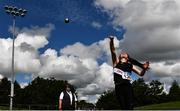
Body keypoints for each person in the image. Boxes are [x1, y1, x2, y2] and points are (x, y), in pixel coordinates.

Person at [109, 36, 149, 110]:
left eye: (125, 53)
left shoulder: (130, 65)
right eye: (122, 53)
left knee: (130, 106)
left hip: (128, 87)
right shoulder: (116, 63)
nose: (123, 53)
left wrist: (144, 69)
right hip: (118, 87)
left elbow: (140, 74)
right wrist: (111, 41)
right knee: (123, 107)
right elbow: (113, 51)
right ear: (120, 57)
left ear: (127, 58)